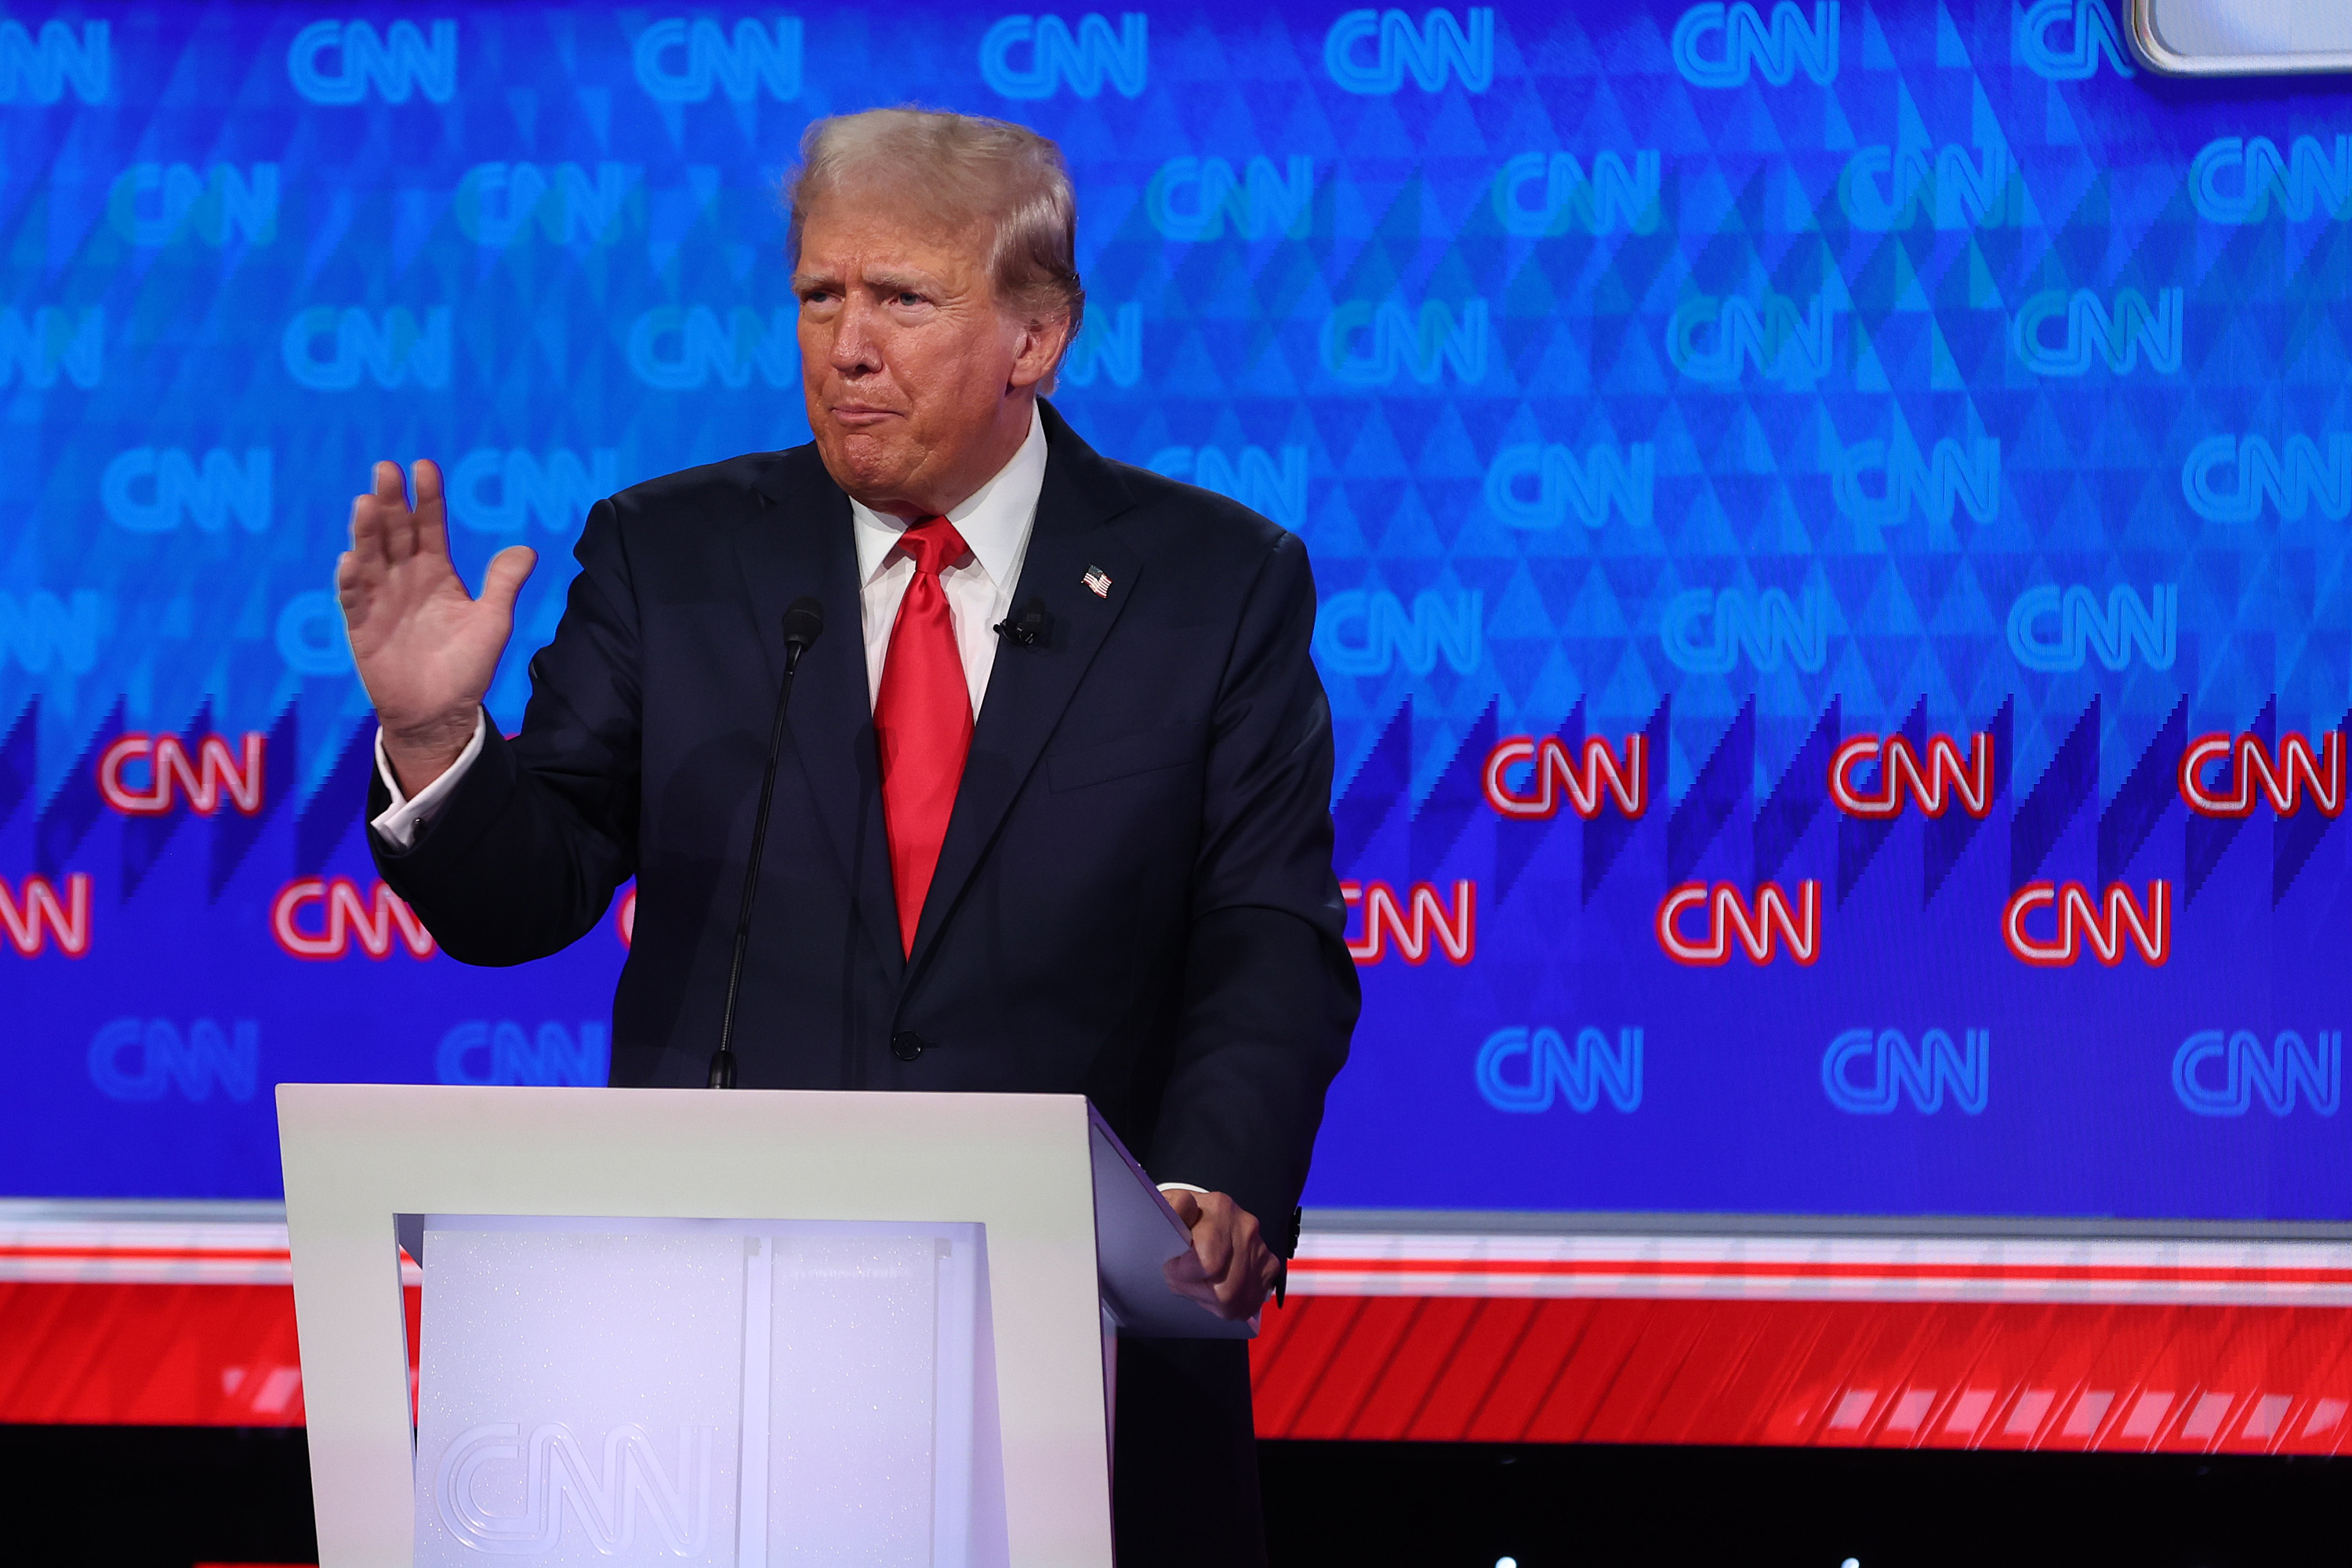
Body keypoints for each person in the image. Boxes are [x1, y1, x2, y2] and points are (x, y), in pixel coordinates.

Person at [337, 106, 1356, 1563]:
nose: (847, 346)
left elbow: (1268, 930)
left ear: (1037, 335)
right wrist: (438, 737)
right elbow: (525, 895)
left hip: (1076, 1367)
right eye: (821, 296)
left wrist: (1220, 1174)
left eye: (903, 300)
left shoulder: (1216, 583)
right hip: (711, 1377)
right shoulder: (675, 555)